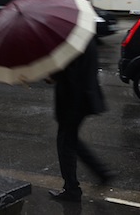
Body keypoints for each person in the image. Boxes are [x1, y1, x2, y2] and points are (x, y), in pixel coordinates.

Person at [48, 38, 114, 202]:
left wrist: (52, 75)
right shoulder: (84, 33)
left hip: (73, 101)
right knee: (70, 140)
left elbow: (69, 71)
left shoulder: (72, 39)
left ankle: (72, 189)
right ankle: (101, 172)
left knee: (65, 143)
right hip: (84, 96)